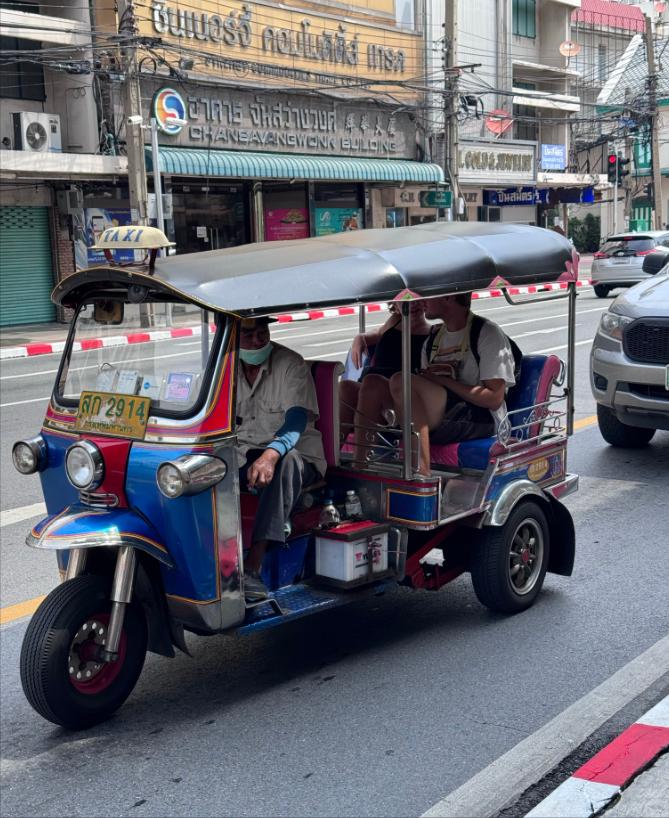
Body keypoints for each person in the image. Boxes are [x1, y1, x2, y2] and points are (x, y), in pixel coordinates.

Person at [236, 316, 326, 601]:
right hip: (244, 450)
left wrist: (270, 456)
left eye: (263, 333)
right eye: (249, 335)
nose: (258, 341)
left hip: (296, 454)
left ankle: (254, 565)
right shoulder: (224, 368)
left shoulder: (290, 364)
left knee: (282, 464)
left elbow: (296, 420)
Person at [387, 293, 516, 476]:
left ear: (447, 297)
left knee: (401, 381)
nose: (422, 301)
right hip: (446, 414)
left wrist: (444, 381)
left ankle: (421, 471)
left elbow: (495, 398)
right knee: (373, 384)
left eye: (427, 295)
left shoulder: (486, 333)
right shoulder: (433, 340)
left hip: (480, 418)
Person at [339, 300, 431, 465]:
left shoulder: (432, 333)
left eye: (417, 301)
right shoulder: (395, 321)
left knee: (372, 384)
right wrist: (360, 338)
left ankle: (360, 462)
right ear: (395, 305)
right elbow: (376, 335)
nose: (413, 305)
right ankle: (326, 459)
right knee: (345, 387)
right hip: (368, 386)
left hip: (396, 396)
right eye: (405, 302)